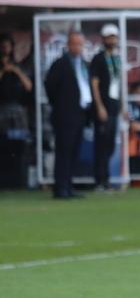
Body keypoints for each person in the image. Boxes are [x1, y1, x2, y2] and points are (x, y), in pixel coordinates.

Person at [44, 30, 92, 200]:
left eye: (80, 44)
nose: (78, 47)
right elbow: (50, 86)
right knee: (63, 151)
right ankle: (60, 187)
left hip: (80, 113)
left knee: (74, 151)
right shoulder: (60, 64)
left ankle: (69, 185)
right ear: (68, 45)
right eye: (75, 43)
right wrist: (60, 104)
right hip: (65, 115)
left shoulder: (85, 65)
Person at [89, 24, 123, 191]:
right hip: (103, 107)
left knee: (109, 145)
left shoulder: (117, 58)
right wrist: (99, 106)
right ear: (103, 39)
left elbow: (119, 83)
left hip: (115, 106)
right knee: (101, 144)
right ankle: (99, 180)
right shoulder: (98, 58)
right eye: (108, 37)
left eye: (114, 37)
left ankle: (106, 178)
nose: (111, 40)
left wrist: (122, 106)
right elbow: (94, 83)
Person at [0, 33, 33, 188]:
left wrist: (14, 70)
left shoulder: (18, 66)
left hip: (18, 112)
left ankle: (19, 180)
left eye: (8, 46)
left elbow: (28, 86)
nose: (5, 49)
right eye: (3, 46)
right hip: (2, 110)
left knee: (19, 147)